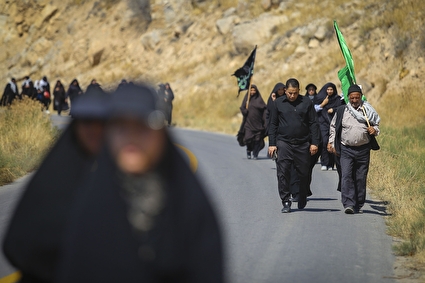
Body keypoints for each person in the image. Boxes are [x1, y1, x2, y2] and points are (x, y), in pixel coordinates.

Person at [55, 83, 224, 283]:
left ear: (161, 135)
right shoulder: (88, 205)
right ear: (107, 134)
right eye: (121, 127)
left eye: (143, 126)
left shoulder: (189, 206)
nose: (132, 137)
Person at [2, 88, 109, 283]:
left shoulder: (128, 174)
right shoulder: (55, 175)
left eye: (102, 123)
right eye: (87, 121)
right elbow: (19, 244)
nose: (94, 129)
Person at [268, 78, 320, 213]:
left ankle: (302, 195)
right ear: (285, 91)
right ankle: (286, 201)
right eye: (290, 93)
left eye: (295, 93)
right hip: (283, 143)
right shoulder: (278, 103)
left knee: (304, 173)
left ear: (299, 91)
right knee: (283, 173)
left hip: (303, 144)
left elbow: (314, 123)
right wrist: (272, 144)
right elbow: (273, 124)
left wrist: (314, 143)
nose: (292, 96)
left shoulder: (306, 102)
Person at [328, 84, 380, 214]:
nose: (354, 100)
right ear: (348, 98)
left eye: (357, 98)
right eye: (352, 98)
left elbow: (376, 125)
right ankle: (348, 203)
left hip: (363, 150)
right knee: (346, 176)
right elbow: (333, 126)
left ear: (361, 97)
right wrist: (331, 142)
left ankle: (359, 203)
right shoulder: (342, 110)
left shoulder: (367, 110)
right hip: (346, 149)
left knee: (360, 177)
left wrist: (374, 130)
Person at [314, 82, 342, 171]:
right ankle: (324, 162)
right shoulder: (320, 98)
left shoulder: (337, 99)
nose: (329, 91)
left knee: (333, 143)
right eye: (328, 89)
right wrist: (323, 104)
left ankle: (331, 164)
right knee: (325, 142)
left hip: (333, 124)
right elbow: (314, 110)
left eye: (331, 89)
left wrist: (333, 109)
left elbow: (342, 108)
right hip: (323, 123)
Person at [239, 85, 267, 160]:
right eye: (251, 90)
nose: (252, 92)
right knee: (248, 138)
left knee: (257, 140)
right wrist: (245, 111)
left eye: (254, 90)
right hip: (248, 124)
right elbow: (242, 108)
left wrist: (265, 122)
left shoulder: (259, 100)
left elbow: (264, 110)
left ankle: (255, 153)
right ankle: (248, 150)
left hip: (258, 124)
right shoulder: (247, 100)